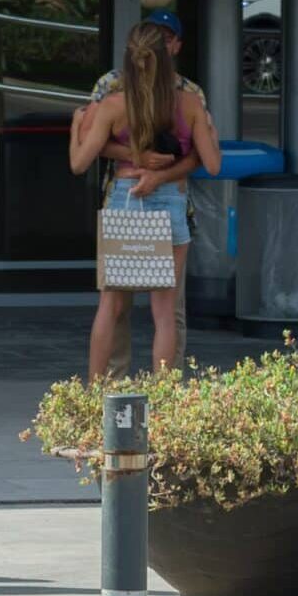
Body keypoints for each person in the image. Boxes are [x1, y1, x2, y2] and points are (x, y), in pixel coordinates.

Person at [70, 21, 222, 379]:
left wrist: (75, 129)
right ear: (168, 55)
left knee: (110, 305)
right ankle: (164, 398)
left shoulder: (112, 103)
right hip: (171, 200)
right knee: (165, 313)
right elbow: (212, 164)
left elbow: (79, 163)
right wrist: (210, 133)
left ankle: (94, 395)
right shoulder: (189, 102)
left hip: (124, 199)